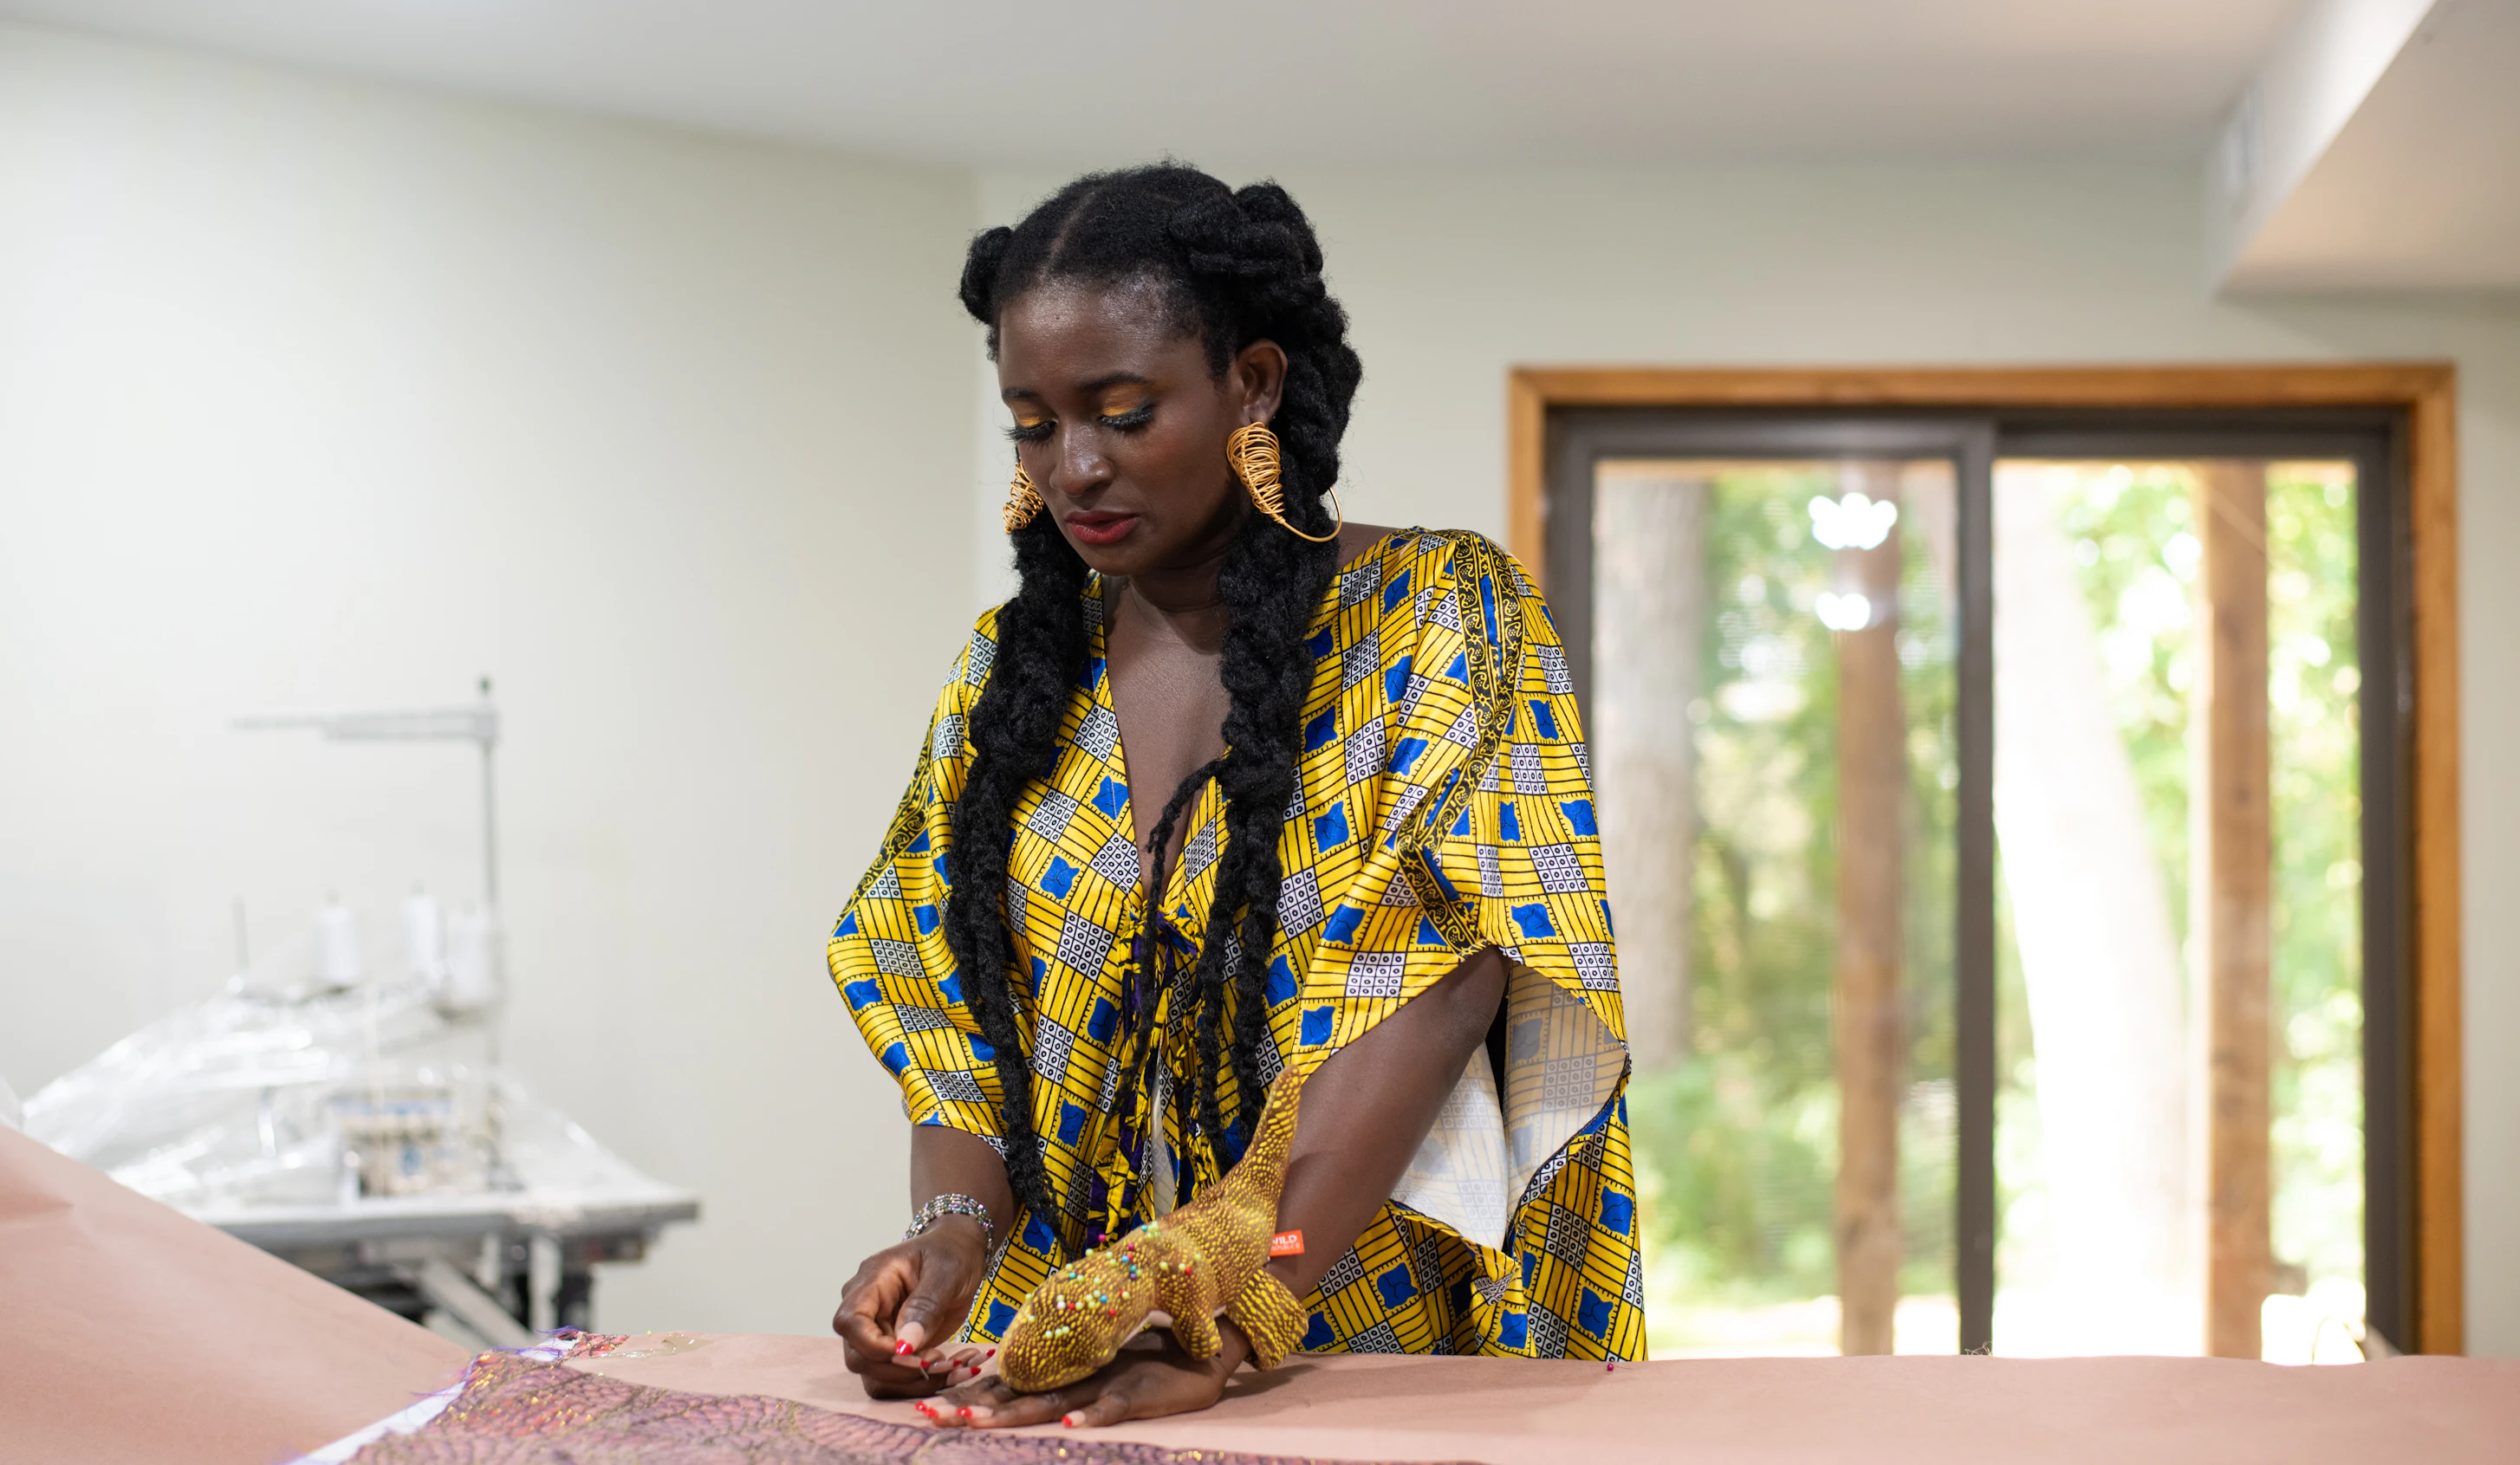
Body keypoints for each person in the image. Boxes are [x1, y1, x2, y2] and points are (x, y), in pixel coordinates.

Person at [827, 164, 1640, 1429]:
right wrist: (950, 1238)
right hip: (1060, 1356)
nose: (1075, 466)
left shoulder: (1440, 617)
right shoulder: (1010, 674)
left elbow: (1427, 994)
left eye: (1124, 409)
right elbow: (947, 1008)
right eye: (1034, 423)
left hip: (1333, 1346)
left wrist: (1221, 1291)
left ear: (1251, 383)